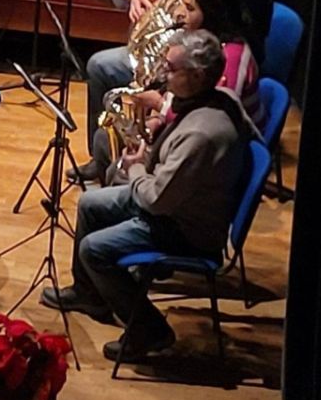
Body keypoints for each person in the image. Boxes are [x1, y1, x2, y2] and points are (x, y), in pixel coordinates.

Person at [43, 30, 257, 362]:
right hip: (174, 202)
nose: (162, 74)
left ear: (197, 75)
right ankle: (89, 294)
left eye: (171, 68)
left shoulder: (201, 134)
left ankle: (149, 330)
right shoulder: (216, 97)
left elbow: (156, 200)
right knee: (89, 203)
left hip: (185, 230)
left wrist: (135, 168)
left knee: (94, 249)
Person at [75, 0, 274, 183]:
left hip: (219, 156)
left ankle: (124, 193)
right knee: (105, 140)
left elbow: (214, 119)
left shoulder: (232, 58)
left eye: (189, 8)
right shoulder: (195, 43)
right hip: (190, 135)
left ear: (211, 14)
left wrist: (159, 105)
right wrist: (156, 120)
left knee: (119, 171)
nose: (179, 13)